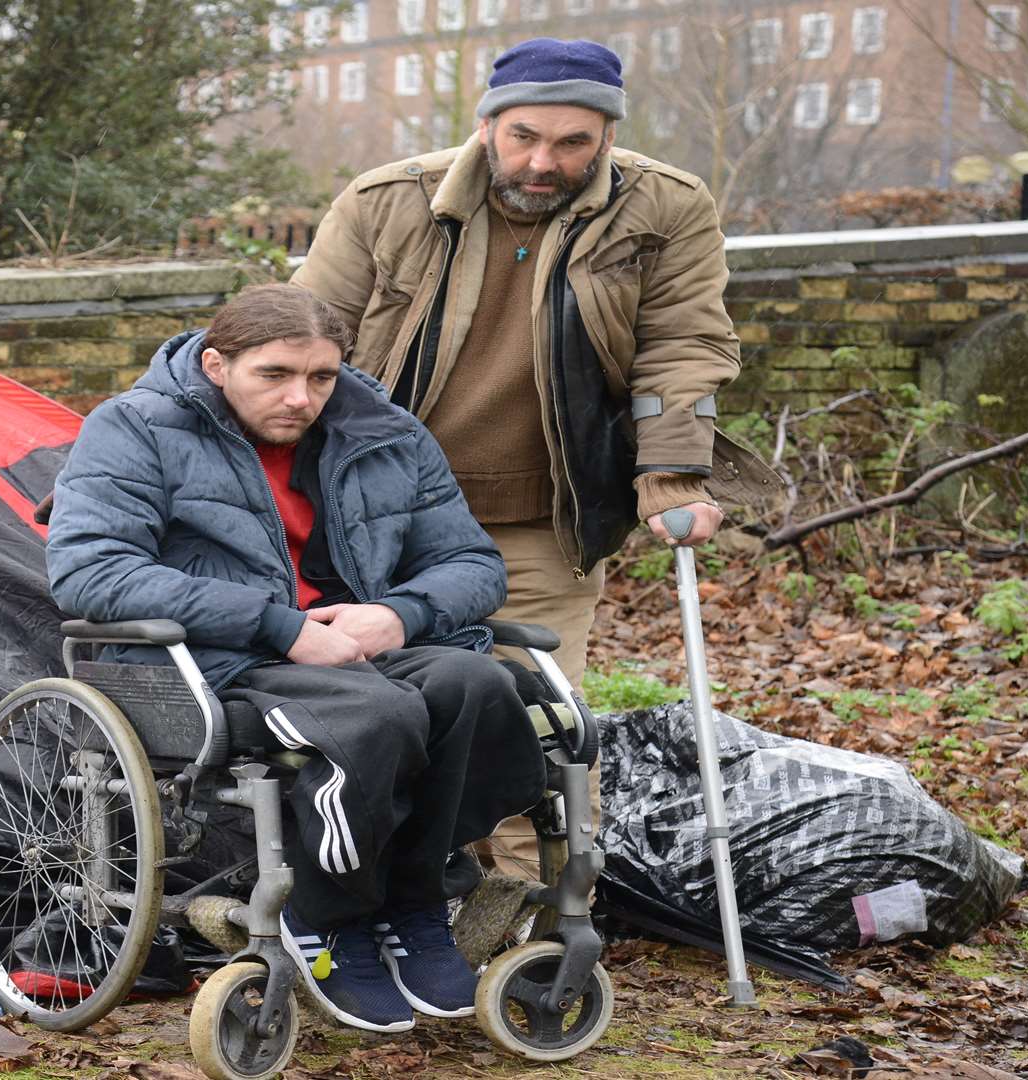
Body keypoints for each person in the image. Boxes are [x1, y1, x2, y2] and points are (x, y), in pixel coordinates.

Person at [291, 36, 768, 874]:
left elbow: (682, 347)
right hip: (377, 514)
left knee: (531, 711)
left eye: (573, 142)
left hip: (546, 516)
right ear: (486, 126)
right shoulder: (385, 203)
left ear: (609, 138)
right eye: (524, 137)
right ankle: (388, 891)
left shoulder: (666, 208)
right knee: (386, 702)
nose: (544, 161)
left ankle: (528, 911)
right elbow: (297, 342)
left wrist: (673, 477)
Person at [45, 284, 547, 1033]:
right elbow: (88, 570)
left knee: (475, 683)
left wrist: (398, 615)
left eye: (322, 376)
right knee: (377, 714)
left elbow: (473, 564)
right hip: (216, 659)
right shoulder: (135, 428)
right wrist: (280, 626)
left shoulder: (386, 431)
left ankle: (412, 904)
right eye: (275, 375)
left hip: (355, 647)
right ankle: (331, 915)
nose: (302, 398)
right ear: (217, 365)